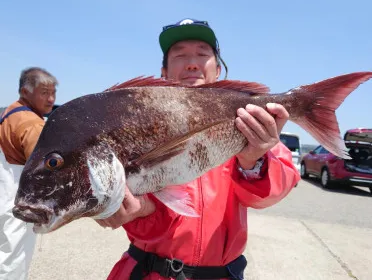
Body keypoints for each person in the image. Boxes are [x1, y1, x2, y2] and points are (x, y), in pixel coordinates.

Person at [100, 18, 300, 280]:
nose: (192, 63)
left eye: (202, 54)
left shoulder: (249, 125)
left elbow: (273, 190)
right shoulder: (135, 122)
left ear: (218, 69)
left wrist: (254, 159)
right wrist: (138, 210)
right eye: (180, 55)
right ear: (163, 72)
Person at [0, 67, 58, 280]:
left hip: (4, 193)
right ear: (25, 92)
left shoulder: (9, 112)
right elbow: (44, 172)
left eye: (53, 93)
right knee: (15, 259)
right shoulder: (32, 124)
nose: (51, 99)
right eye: (44, 92)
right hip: (20, 200)